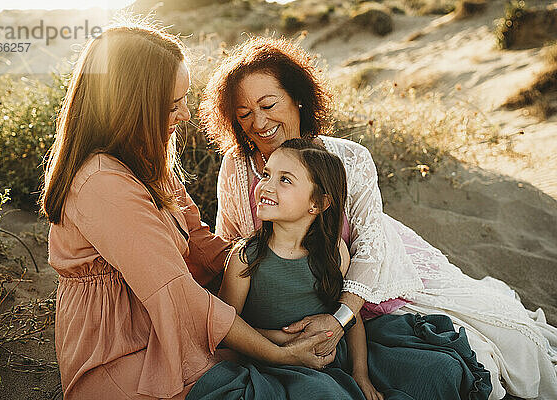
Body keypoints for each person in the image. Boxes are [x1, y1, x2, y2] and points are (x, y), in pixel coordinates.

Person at [200, 36, 557, 400]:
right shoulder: (236, 167)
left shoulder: (350, 159)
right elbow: (228, 244)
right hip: (290, 302)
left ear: (297, 99)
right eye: (244, 114)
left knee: (496, 344)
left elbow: (370, 251)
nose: (258, 122)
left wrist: (339, 318)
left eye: (268, 104)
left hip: (368, 272)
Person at [40, 24, 340, 400]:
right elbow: (177, 292)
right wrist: (278, 350)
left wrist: (284, 283)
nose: (185, 114)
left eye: (183, 100)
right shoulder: (103, 183)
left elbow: (204, 247)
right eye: (171, 105)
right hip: (124, 353)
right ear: (130, 106)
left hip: (170, 324)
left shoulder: (147, 162)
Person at [188, 138, 490, 400]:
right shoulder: (246, 258)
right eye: (267, 175)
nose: (265, 186)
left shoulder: (332, 252)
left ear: (317, 203)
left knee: (439, 370)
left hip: (338, 352)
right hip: (274, 364)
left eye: (285, 180)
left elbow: (351, 317)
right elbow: (228, 329)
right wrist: (283, 341)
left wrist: (361, 374)